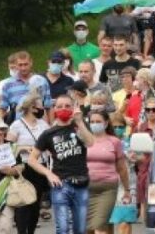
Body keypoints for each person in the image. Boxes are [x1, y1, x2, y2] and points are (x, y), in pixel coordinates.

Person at [27, 94, 96, 234]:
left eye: (67, 106)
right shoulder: (48, 134)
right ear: (54, 109)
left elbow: (90, 143)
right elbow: (31, 159)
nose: (63, 109)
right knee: (63, 227)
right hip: (60, 183)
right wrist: (49, 174)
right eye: (59, 106)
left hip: (81, 183)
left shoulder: (79, 127)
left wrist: (80, 122)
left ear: (73, 108)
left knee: (80, 229)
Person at [8, 93, 50, 234]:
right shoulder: (17, 125)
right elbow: (8, 147)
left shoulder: (43, 124)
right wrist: (23, 148)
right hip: (25, 168)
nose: (42, 108)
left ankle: (31, 231)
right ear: (32, 107)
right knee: (24, 203)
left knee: (35, 204)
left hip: (40, 167)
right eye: (40, 105)